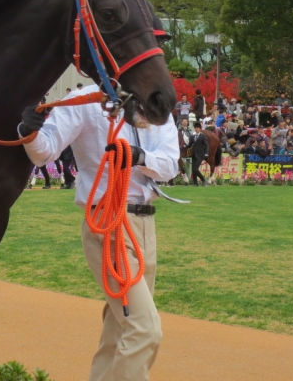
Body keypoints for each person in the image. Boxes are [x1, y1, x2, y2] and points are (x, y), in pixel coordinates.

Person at [18, 83, 178, 381]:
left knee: (119, 327)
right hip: (108, 222)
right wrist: (29, 131)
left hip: (145, 224)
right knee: (144, 329)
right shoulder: (84, 100)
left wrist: (140, 157)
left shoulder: (157, 103)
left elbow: (170, 165)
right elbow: (45, 151)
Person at [188, 122, 209, 187]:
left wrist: (206, 153)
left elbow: (206, 145)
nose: (196, 129)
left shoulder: (203, 136)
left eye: (197, 128)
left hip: (200, 155)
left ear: (200, 129)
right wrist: (183, 147)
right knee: (193, 170)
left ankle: (203, 180)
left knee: (195, 169)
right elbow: (189, 145)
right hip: (194, 154)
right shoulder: (193, 136)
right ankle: (195, 183)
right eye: (195, 128)